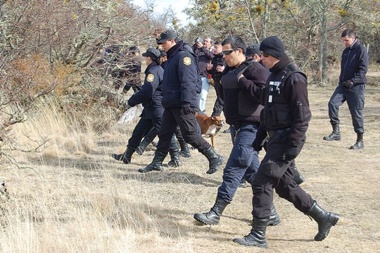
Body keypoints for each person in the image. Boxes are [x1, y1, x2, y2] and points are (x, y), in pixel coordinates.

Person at [233, 36, 339, 248]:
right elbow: (269, 109)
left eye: (263, 55)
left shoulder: (294, 77)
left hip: (285, 140)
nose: (260, 59)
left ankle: (258, 235)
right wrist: (260, 137)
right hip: (274, 139)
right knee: (285, 186)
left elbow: (303, 116)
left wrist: (293, 145)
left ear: (272, 55)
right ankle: (323, 216)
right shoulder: (274, 76)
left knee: (262, 182)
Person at [194, 35, 281, 226]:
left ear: (239, 51)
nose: (223, 56)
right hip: (237, 127)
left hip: (252, 126)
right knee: (253, 172)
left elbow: (263, 96)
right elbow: (224, 95)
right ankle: (271, 214)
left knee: (234, 167)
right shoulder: (230, 70)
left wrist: (243, 82)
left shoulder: (256, 70)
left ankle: (216, 212)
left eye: (226, 52)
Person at [138, 29, 224, 173]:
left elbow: (188, 81)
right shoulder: (173, 56)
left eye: (163, 43)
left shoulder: (184, 56)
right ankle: (156, 162)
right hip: (171, 103)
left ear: (172, 41)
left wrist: (187, 103)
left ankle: (214, 157)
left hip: (181, 104)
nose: (162, 46)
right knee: (164, 134)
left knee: (190, 135)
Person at [112, 48, 180, 166]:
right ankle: (126, 156)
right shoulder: (157, 69)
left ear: (149, 58)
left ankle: (176, 159)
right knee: (138, 132)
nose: (144, 59)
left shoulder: (153, 71)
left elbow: (148, 91)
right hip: (150, 108)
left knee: (165, 134)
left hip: (156, 108)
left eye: (146, 57)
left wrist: (132, 101)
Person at [323, 28, 368, 149]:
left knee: (356, 113)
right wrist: (342, 80)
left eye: (346, 40)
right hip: (343, 85)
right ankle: (336, 132)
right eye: (343, 41)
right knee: (332, 104)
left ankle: (360, 140)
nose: (345, 43)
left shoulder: (361, 50)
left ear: (353, 38)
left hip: (356, 87)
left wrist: (353, 81)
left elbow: (363, 70)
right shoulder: (346, 51)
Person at [192, 37, 214, 112]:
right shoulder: (198, 50)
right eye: (204, 41)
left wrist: (202, 48)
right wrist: (196, 45)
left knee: (203, 96)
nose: (204, 43)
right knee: (194, 95)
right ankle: (195, 111)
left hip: (205, 76)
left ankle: (201, 111)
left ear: (211, 44)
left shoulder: (211, 51)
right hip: (195, 76)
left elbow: (211, 56)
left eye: (207, 41)